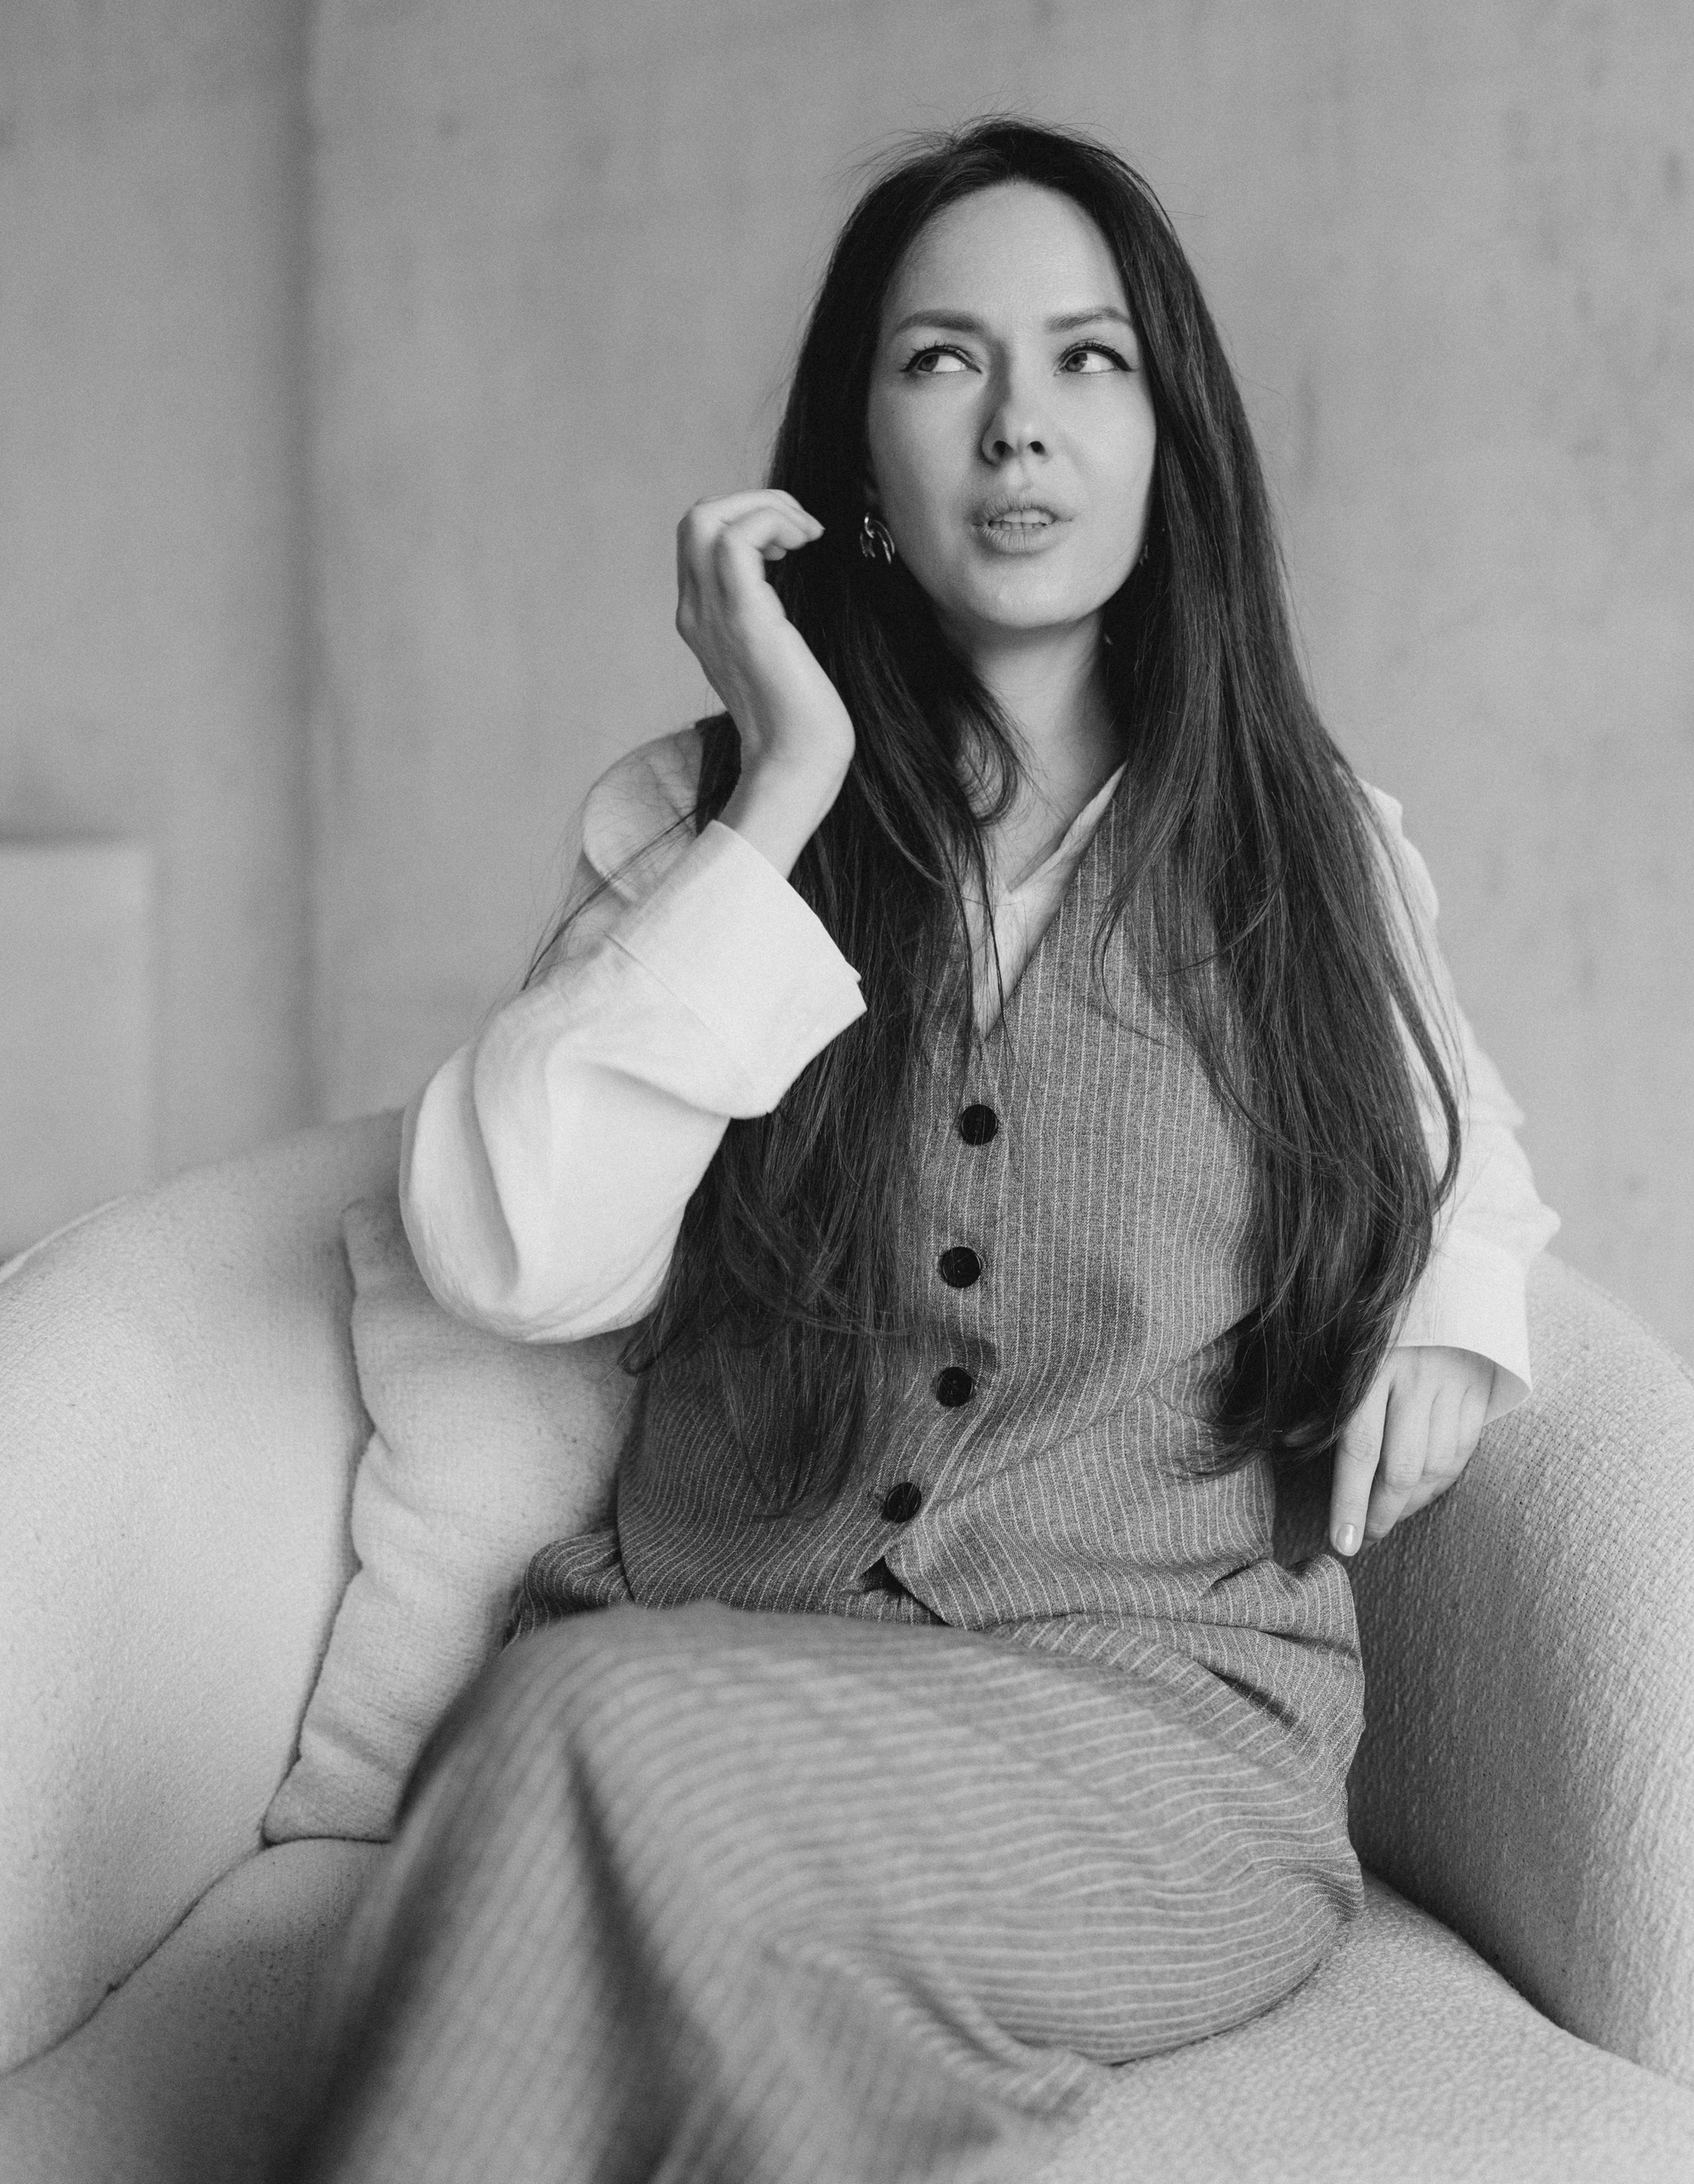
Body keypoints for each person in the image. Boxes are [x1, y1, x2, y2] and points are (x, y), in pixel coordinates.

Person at [285, 120, 1557, 2184]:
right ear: (856, 459)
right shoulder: (700, 826)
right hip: (723, 1672)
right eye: (945, 360)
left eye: (1089, 361)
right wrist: (783, 788)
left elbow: (1461, 1139)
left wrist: (1459, 1291)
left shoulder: (1314, 849)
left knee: (574, 1738)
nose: (1018, 426)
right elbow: (511, 1252)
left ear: (1169, 440)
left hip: (1155, 1753)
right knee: (634, 1819)